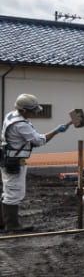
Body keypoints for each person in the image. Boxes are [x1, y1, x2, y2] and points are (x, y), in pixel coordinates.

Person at [1, 93, 68, 231]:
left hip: (9, 158)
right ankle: (11, 225)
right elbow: (39, 141)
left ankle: (3, 222)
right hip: (14, 161)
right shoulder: (20, 125)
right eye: (33, 111)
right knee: (13, 192)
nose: (35, 113)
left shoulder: (12, 115)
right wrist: (56, 131)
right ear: (24, 110)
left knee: (8, 191)